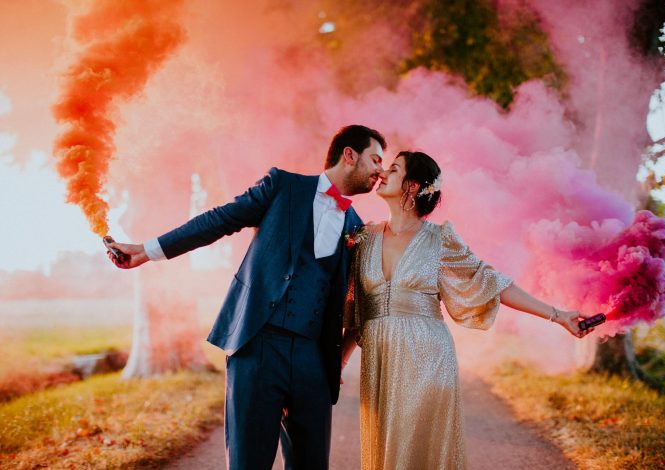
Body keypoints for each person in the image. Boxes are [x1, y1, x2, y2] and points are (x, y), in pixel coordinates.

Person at [106, 125, 386, 470]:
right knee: (248, 463)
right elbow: (218, 220)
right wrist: (147, 251)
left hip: (313, 359)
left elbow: (357, 303)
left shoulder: (358, 228)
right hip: (257, 345)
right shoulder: (283, 185)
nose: (380, 171)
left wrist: (338, 360)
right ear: (349, 155)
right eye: (375, 160)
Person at [341, 151, 594, 470]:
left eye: (393, 169)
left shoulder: (438, 239)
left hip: (427, 357)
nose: (383, 173)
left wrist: (558, 315)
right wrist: (340, 360)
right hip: (379, 360)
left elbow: (493, 282)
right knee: (386, 450)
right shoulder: (365, 237)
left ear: (412, 185)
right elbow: (359, 311)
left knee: (418, 451)